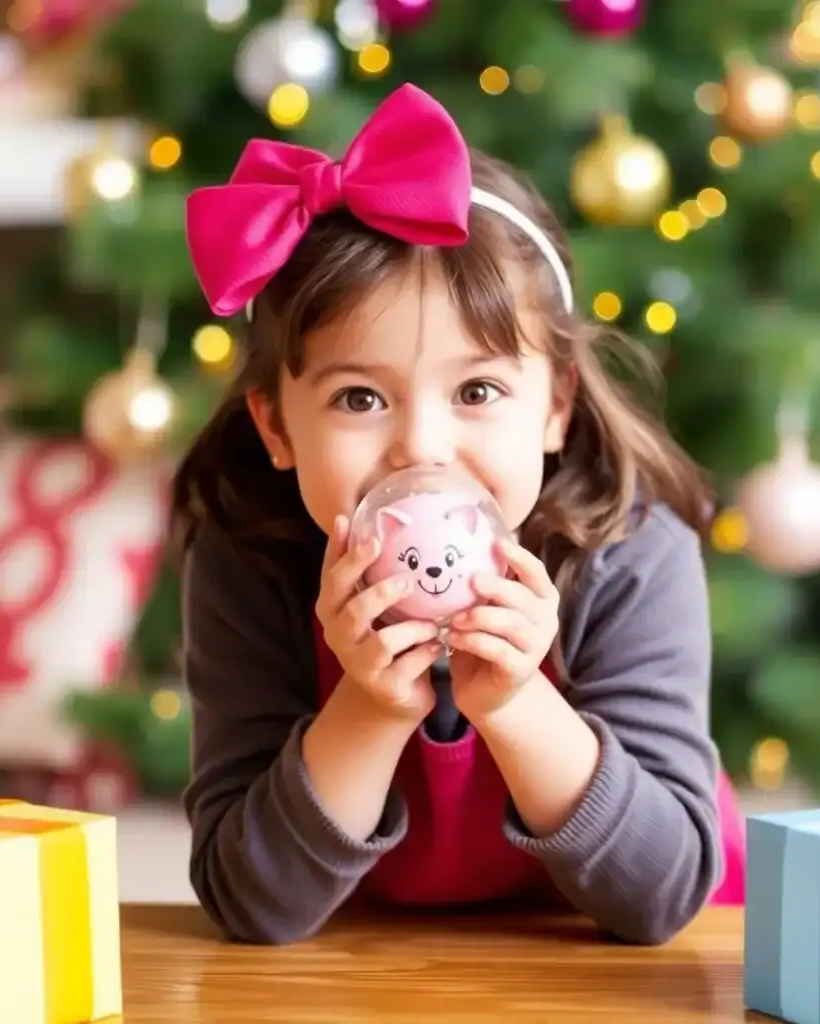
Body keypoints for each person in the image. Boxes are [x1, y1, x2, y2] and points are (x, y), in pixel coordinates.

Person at [173, 84, 746, 948]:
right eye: (359, 397)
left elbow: (661, 900)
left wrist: (515, 705)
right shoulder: (246, 558)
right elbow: (251, 906)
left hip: (593, 961)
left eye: (477, 390)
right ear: (276, 425)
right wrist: (370, 710)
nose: (421, 448)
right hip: (372, 961)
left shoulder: (629, 554)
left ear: (556, 405)